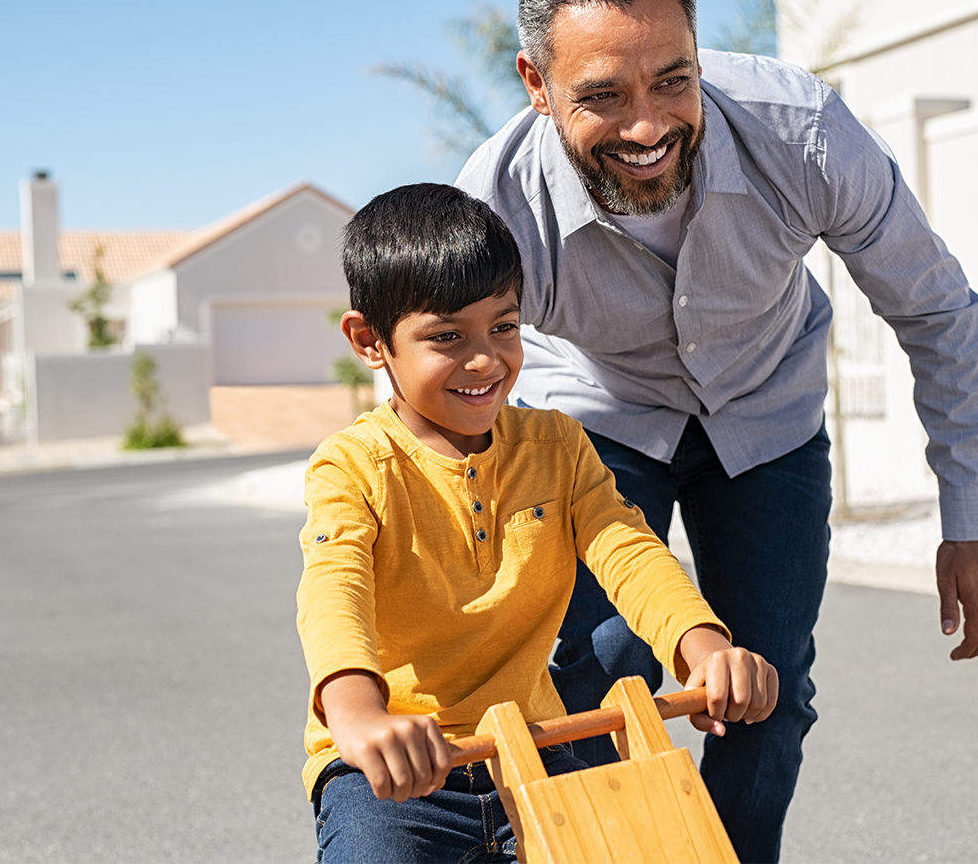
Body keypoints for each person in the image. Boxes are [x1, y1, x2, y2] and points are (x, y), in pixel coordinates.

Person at [455, 0, 978, 859]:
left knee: (771, 689)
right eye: (603, 94)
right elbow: (440, 398)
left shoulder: (804, 136)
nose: (648, 126)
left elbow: (936, 307)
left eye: (673, 79)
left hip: (767, 410)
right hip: (597, 420)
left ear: (698, 53)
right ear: (536, 84)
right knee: (596, 673)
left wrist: (971, 521)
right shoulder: (497, 207)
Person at [296, 182, 779, 863]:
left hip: (534, 745)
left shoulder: (556, 447)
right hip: (397, 773)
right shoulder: (352, 467)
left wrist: (704, 648)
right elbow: (332, 589)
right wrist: (355, 714)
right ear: (370, 341)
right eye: (446, 337)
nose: (485, 359)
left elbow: (629, 552)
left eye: (503, 326)